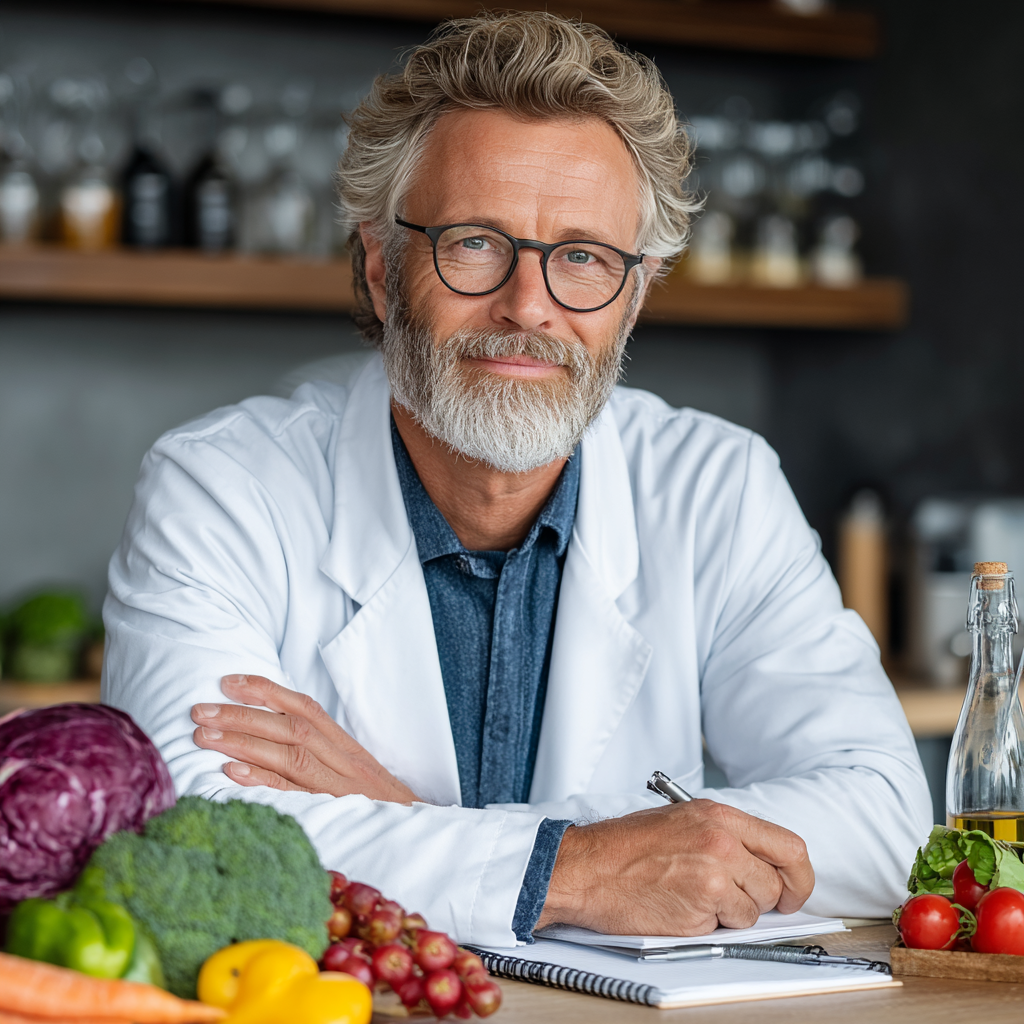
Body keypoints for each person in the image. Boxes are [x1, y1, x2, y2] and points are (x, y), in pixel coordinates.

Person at [103, 12, 931, 947]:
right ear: (383, 269)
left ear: (636, 294)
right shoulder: (221, 486)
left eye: (583, 256)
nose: (529, 305)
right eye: (474, 243)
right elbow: (190, 834)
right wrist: (581, 867)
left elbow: (885, 824)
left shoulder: (719, 486)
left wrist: (412, 821)